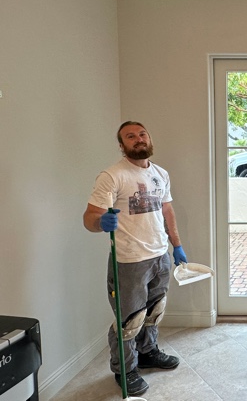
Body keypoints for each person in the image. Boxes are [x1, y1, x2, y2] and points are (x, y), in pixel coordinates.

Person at [83, 121, 188, 396]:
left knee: (154, 312)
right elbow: (89, 217)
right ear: (122, 145)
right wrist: (100, 223)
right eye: (130, 136)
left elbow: (167, 212)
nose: (138, 139)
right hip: (129, 260)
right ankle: (125, 370)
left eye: (142, 134)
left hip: (160, 254)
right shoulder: (112, 175)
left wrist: (176, 246)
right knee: (129, 319)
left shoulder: (160, 173)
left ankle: (148, 353)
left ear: (149, 138)